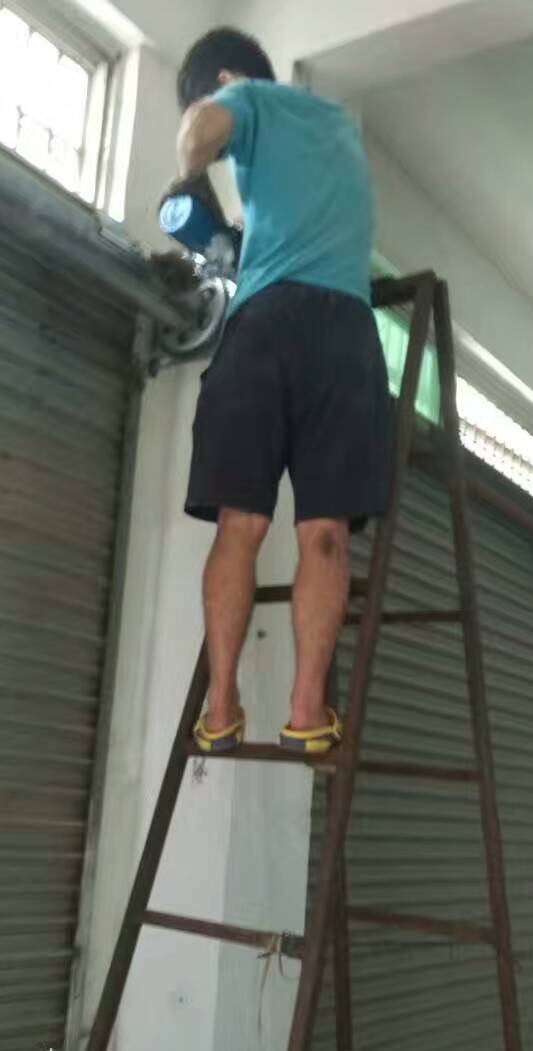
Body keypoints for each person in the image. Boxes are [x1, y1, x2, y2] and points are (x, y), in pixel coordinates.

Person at [173, 27, 392, 756]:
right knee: (325, 532)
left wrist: (189, 175)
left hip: (264, 326)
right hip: (345, 333)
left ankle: (220, 706)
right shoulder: (339, 124)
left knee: (239, 524)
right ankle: (306, 710)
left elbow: (200, 133)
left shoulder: (246, 96)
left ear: (226, 78)